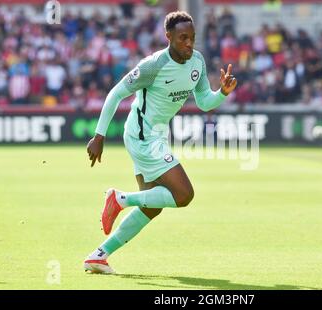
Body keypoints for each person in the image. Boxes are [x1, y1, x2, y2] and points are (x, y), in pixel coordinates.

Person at [84, 11, 237, 274]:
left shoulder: (197, 62)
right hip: (142, 135)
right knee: (184, 194)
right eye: (183, 38)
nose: (189, 43)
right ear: (169, 37)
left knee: (152, 206)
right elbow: (115, 93)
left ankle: (99, 255)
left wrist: (221, 93)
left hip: (155, 135)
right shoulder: (153, 65)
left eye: (192, 38)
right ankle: (119, 198)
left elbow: (203, 102)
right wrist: (99, 135)